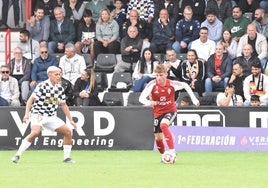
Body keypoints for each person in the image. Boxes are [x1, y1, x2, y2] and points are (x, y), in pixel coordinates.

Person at [11, 66, 77, 163]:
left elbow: (63, 105)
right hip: (38, 114)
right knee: (35, 132)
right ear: (49, 75)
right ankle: (17, 155)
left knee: (68, 132)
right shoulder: (42, 86)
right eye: (56, 74)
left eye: (60, 74)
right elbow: (30, 100)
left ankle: (66, 158)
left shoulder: (59, 88)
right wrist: (26, 114)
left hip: (51, 116)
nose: (59, 76)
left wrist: (70, 120)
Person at [139, 64, 200, 163]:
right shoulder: (151, 85)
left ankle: (172, 151)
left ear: (166, 74)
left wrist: (194, 99)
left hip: (170, 110)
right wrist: (149, 102)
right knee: (158, 138)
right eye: (157, 75)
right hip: (157, 113)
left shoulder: (172, 84)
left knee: (164, 125)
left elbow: (185, 85)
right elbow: (141, 98)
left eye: (161, 75)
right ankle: (164, 156)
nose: (159, 78)